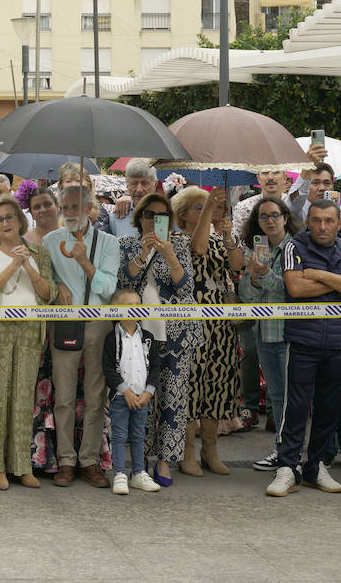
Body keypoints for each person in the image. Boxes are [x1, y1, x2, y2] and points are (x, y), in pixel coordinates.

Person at [267, 199, 341, 497]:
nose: (322, 227)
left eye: (328, 221)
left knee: (329, 409)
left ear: (339, 222)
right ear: (308, 222)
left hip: (339, 344)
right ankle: (287, 467)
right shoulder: (294, 249)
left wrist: (319, 275)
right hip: (303, 341)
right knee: (295, 407)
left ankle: (316, 466)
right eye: (316, 221)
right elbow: (295, 289)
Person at [0, 194, 58, 490]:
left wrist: (28, 265)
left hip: (30, 330)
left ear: (21, 221)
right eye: (0, 219)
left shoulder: (39, 251)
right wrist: (12, 265)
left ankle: (21, 465)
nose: (6, 222)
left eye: (10, 217)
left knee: (23, 400)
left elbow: (49, 294)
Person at [117, 191, 197, 486]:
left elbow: (186, 288)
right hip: (140, 333)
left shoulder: (180, 244)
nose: (154, 220)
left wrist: (170, 256)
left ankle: (165, 462)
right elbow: (123, 284)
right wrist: (142, 254)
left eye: (162, 216)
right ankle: (143, 459)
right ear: (139, 217)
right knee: (144, 394)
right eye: (149, 214)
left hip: (177, 332)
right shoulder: (126, 244)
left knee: (173, 399)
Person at [43, 183, 119, 488]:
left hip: (98, 323)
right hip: (64, 323)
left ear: (89, 208)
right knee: (62, 395)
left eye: (76, 206)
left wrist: (85, 262)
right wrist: (54, 286)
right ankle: (65, 460)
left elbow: (109, 289)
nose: (70, 212)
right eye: (66, 206)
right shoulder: (50, 241)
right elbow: (44, 281)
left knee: (95, 395)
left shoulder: (109, 243)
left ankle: (89, 460)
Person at [173, 187, 243, 477]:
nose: (206, 212)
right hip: (192, 318)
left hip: (221, 322)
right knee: (192, 385)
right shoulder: (176, 238)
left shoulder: (216, 235)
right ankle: (187, 452)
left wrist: (227, 237)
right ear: (183, 213)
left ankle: (210, 451)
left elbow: (237, 266)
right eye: (198, 208)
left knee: (218, 384)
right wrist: (209, 212)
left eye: (209, 207)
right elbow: (197, 249)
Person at [238, 196, 298, 472]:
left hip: (290, 334)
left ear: (285, 217)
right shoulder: (257, 250)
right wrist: (253, 276)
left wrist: (264, 275)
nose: (270, 221)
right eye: (264, 216)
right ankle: (283, 450)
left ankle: (289, 454)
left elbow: (288, 292)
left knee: (289, 397)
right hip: (265, 332)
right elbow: (247, 297)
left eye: (275, 215)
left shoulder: (297, 249)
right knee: (276, 396)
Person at [103, 289, 161, 495]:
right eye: (130, 305)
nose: (137, 309)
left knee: (138, 435)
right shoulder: (112, 339)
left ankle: (138, 472)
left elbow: (155, 367)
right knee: (118, 436)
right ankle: (119, 473)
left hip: (142, 398)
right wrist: (124, 391)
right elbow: (108, 368)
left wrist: (148, 392)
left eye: (139, 304)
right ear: (117, 311)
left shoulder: (148, 338)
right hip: (121, 397)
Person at [99, 159, 157, 239]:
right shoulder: (116, 216)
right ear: (127, 185)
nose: (139, 189)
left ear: (155, 185)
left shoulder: (166, 213)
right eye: (134, 183)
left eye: (145, 183)